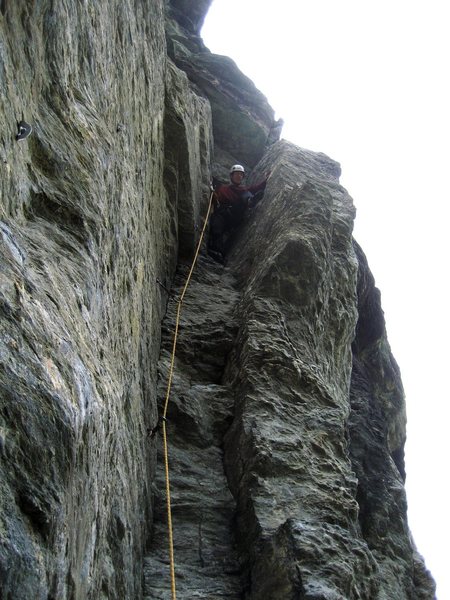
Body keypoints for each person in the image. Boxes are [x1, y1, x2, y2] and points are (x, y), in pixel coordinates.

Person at [207, 164, 269, 263]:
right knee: (217, 227)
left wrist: (266, 179)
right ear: (231, 176)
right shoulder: (222, 188)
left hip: (236, 214)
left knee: (246, 193)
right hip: (223, 214)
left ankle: (250, 201)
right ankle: (216, 250)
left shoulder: (243, 189)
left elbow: (256, 187)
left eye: (241, 175)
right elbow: (213, 186)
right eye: (237, 174)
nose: (239, 176)